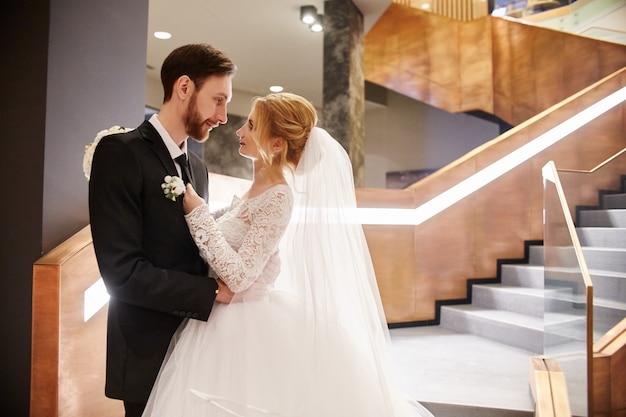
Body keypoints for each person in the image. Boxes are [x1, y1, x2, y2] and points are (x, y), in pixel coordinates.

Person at [142, 92, 434, 417]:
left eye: (251, 125)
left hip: (241, 326)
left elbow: (239, 276)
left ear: (277, 143)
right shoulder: (255, 191)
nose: (239, 131)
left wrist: (198, 215)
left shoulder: (278, 197)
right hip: (217, 317)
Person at [89, 43, 243, 417]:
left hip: (196, 354)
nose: (223, 116)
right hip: (148, 356)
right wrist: (212, 291)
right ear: (184, 87)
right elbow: (122, 274)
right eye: (218, 100)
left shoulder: (198, 168)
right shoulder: (120, 153)